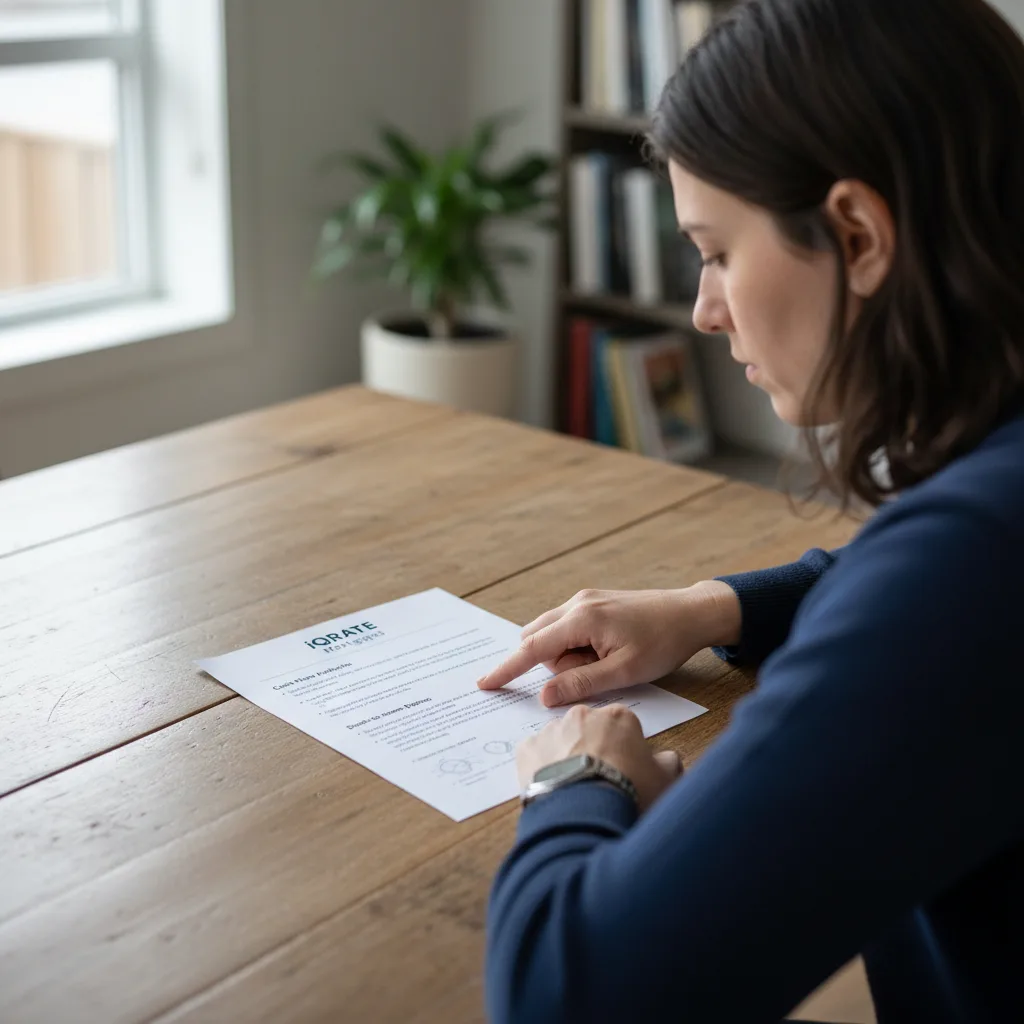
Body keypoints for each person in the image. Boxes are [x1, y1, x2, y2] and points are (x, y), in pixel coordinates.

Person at [477, 0, 1024, 1021]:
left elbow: (567, 996)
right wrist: (712, 607)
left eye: (717, 249)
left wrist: (578, 782)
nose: (703, 307)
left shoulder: (976, 562)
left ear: (856, 234)